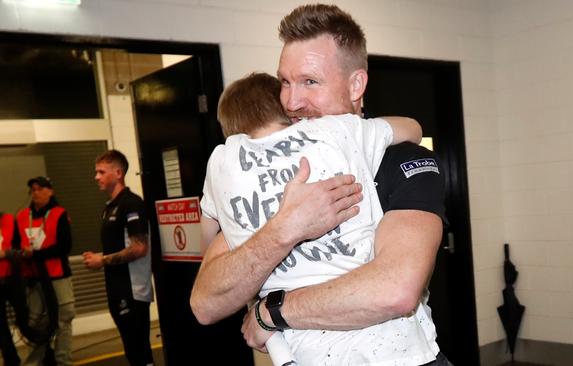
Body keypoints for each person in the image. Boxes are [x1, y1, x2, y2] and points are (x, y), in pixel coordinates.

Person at [192, 4, 450, 366]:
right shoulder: (277, 172)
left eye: (310, 82)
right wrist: (285, 228)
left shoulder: (402, 160)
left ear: (356, 84)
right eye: (284, 81)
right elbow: (206, 302)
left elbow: (395, 290)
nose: (291, 101)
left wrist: (272, 312)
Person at [196, 71, 422, 357]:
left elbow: (206, 242)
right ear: (287, 111)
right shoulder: (333, 130)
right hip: (368, 317)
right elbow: (412, 129)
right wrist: (359, 128)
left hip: (295, 339)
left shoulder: (220, 161)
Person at [82, 150, 154, 366]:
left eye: (101, 172)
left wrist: (101, 260)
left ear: (118, 172)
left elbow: (140, 248)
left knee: (139, 350)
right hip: (115, 288)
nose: (96, 177)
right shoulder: (109, 207)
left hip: (133, 291)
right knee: (132, 352)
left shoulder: (132, 204)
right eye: (96, 172)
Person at [15, 176, 75, 366]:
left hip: (58, 276)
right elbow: (16, 245)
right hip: (33, 278)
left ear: (50, 191)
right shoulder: (22, 216)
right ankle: (34, 362)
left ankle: (63, 361)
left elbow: (65, 246)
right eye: (33, 190)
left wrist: (36, 254)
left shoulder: (59, 214)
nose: (36, 193)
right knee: (35, 323)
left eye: (40, 189)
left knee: (63, 319)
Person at [0, 212, 23, 366]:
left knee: (25, 318)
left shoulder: (8, 219)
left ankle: (46, 351)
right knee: (0, 326)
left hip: (13, 278)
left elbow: (20, 249)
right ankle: (11, 360)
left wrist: (6, 254)